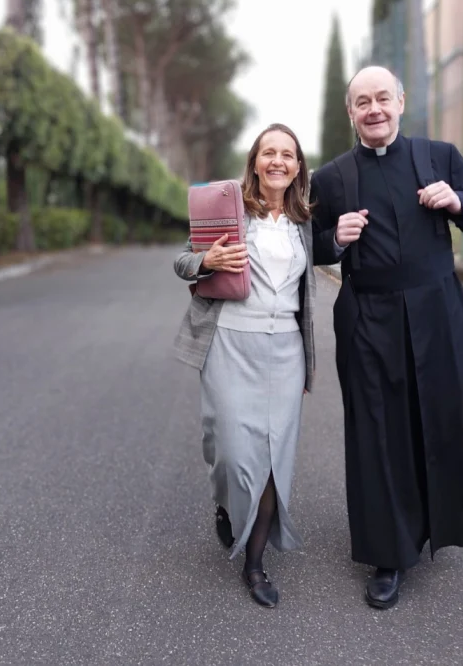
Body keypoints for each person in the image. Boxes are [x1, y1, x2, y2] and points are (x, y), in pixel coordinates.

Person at [309, 66, 463, 610]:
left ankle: (434, 526)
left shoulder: (439, 156)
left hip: (437, 309)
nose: (374, 109)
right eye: (362, 101)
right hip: (366, 313)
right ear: (351, 112)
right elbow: (308, 246)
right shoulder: (330, 177)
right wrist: (335, 239)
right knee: (376, 428)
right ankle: (388, 555)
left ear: (401, 102)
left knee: (435, 416)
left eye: (383, 99)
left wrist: (458, 202)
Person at [173, 123, 317, 608]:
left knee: (275, 460)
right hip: (232, 342)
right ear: (255, 161)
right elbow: (182, 262)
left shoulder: (306, 221)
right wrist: (206, 260)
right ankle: (226, 501)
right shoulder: (231, 210)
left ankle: (255, 564)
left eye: (288, 155)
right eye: (268, 152)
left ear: (298, 167)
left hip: (286, 350)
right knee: (232, 452)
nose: (278, 161)